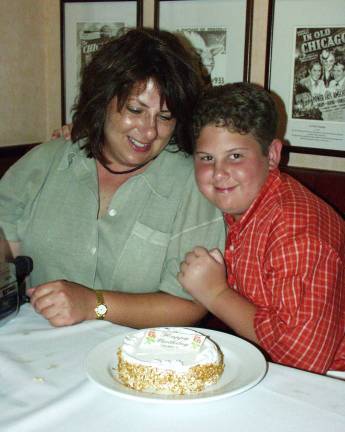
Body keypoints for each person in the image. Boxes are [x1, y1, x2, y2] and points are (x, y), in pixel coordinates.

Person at [0, 28, 225, 328]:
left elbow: (189, 305)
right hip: (38, 351)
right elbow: (6, 236)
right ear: (104, 99)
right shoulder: (49, 160)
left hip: (137, 359)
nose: (148, 131)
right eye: (135, 109)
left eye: (164, 116)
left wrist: (95, 305)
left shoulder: (190, 184)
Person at [178, 82, 345, 374]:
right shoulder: (243, 201)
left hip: (329, 382)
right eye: (207, 158)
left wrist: (216, 293)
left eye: (235, 156)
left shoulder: (298, 233)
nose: (218, 173)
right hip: (269, 366)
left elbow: (302, 360)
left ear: (272, 156)